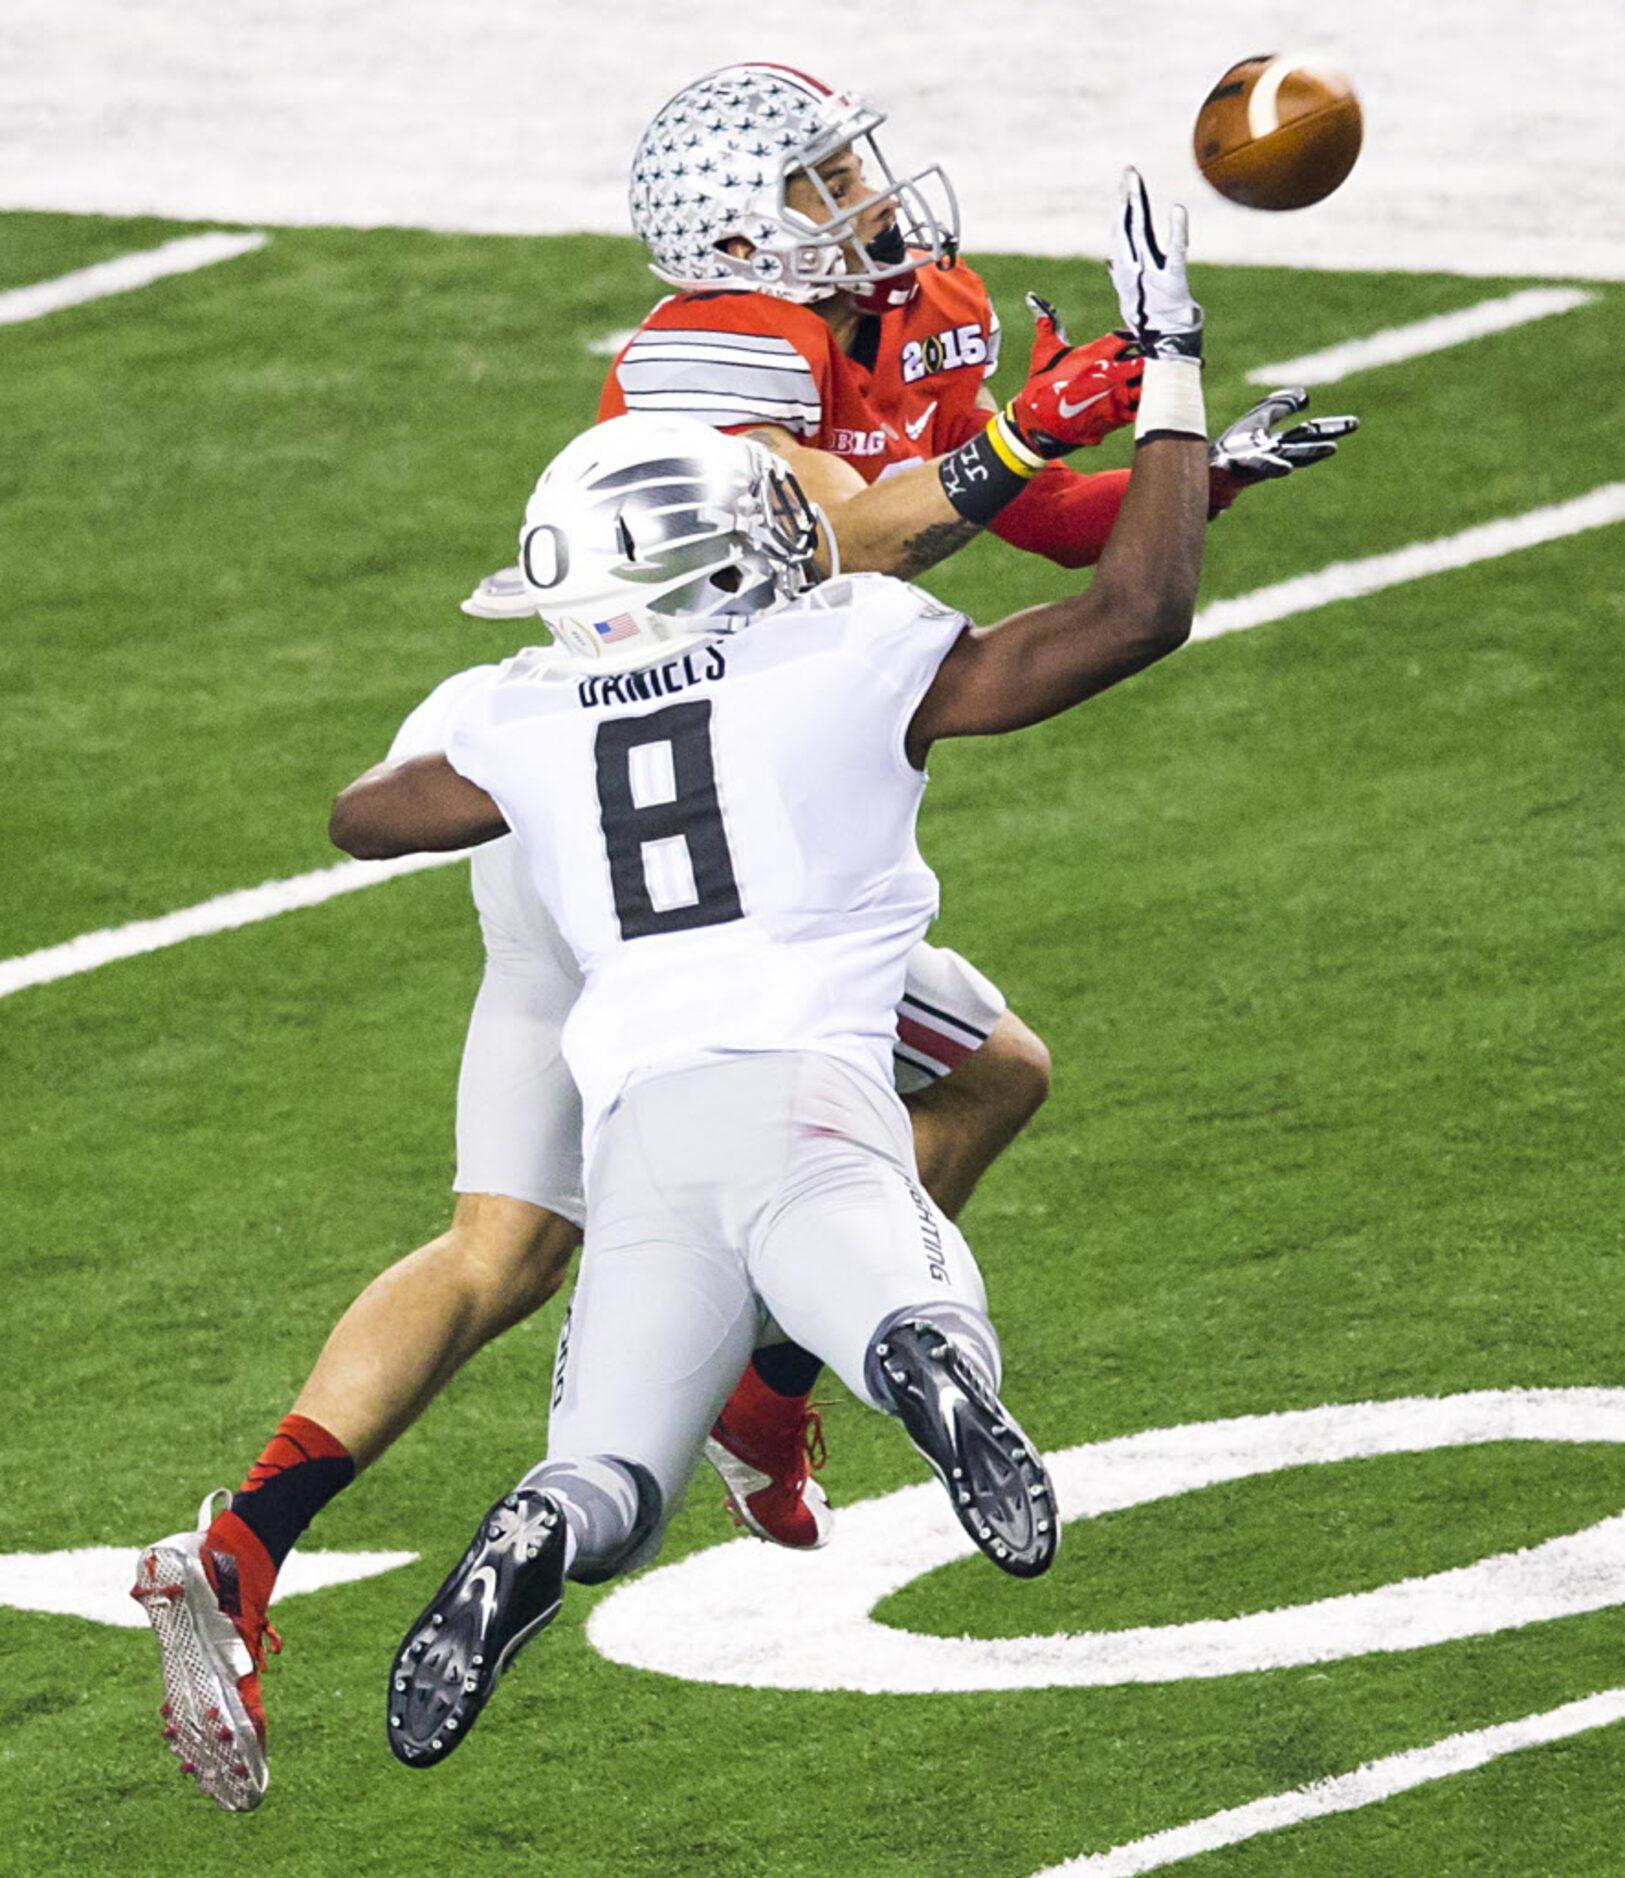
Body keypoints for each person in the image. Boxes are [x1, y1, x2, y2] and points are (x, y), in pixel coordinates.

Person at [130, 63, 1349, 1813]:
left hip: (587, 786)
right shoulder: (720, 363)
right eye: (820, 175)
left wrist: (1189, 469)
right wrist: (1095, 416)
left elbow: (979, 518)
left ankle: (745, 1399)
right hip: (664, 870)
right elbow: (857, 536)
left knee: (987, 1071)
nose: (863, 188)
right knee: (504, 1248)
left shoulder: (880, 337)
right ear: (730, 230)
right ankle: (267, 1529)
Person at [317, 165, 1211, 1769]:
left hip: (641, 1135)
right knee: (899, 1304)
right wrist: (1172, 370)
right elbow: (1132, 614)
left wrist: (544, 692)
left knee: (609, 1467)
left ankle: (536, 1531)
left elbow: (366, 816)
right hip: (809, 1096)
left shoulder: (522, 716)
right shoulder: (839, 652)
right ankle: (929, 1380)